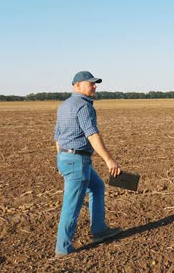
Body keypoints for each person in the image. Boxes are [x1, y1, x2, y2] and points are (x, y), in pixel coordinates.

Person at [53, 70, 122, 257]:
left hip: (67, 158)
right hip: (77, 161)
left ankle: (99, 230)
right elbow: (92, 135)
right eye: (90, 83)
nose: (94, 86)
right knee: (72, 205)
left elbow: (57, 137)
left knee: (98, 187)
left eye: (94, 83)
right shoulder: (84, 106)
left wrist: (61, 160)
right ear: (77, 86)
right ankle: (63, 248)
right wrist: (109, 160)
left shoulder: (64, 105)